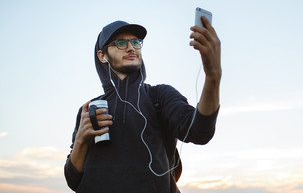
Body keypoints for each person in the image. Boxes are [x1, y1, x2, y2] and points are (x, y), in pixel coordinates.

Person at [64, 16, 221, 193]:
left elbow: (200, 132)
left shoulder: (159, 96)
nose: (131, 47)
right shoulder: (90, 109)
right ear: (102, 55)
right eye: (121, 43)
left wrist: (213, 76)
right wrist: (80, 140)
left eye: (136, 42)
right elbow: (73, 179)